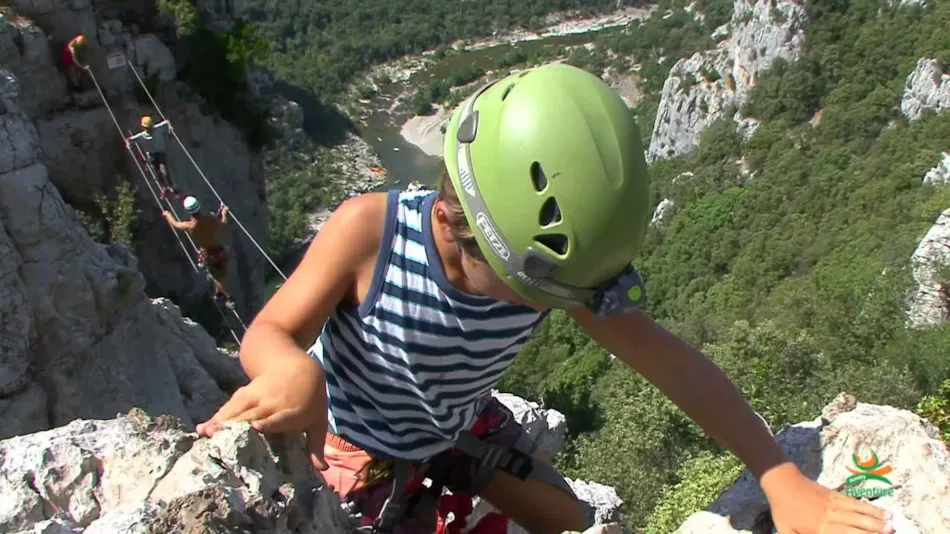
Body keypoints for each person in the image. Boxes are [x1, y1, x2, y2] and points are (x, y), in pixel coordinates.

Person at [195, 64, 895, 534]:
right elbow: (270, 332)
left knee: (570, 521)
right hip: (353, 434)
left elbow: (673, 365)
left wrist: (776, 474)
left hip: (452, 420)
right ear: (449, 223)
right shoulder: (366, 231)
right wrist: (295, 369)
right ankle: (447, 464)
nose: (553, 305)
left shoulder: (550, 268)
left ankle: (457, 459)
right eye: (536, 294)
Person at [163, 196, 234, 310]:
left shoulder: (189, 226)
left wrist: (167, 215)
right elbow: (224, 225)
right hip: (219, 251)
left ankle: (224, 296)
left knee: (217, 276)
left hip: (207, 254)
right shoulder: (210, 219)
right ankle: (225, 296)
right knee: (219, 275)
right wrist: (224, 213)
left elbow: (176, 224)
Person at [127, 116, 179, 198]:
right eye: (148, 127)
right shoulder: (142, 136)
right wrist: (128, 144)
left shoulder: (157, 128)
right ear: (144, 128)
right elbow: (129, 139)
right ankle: (164, 187)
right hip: (151, 155)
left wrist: (170, 127)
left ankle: (173, 188)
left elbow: (167, 121)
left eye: (150, 127)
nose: (150, 129)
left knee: (164, 171)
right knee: (157, 173)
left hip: (161, 153)